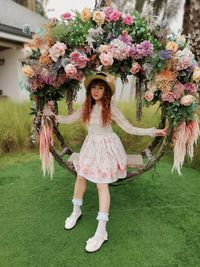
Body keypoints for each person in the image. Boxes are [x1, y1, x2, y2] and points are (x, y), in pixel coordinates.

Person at [44, 72, 167, 253]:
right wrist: (51, 116)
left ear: (107, 91)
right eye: (93, 87)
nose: (96, 91)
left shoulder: (111, 107)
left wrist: (152, 131)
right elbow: (69, 119)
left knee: (102, 185)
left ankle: (101, 231)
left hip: (107, 147)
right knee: (80, 177)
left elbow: (128, 127)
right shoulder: (87, 105)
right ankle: (76, 211)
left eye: (101, 88)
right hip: (90, 146)